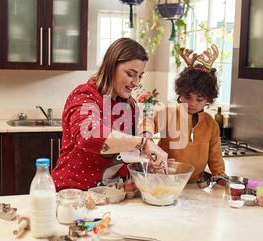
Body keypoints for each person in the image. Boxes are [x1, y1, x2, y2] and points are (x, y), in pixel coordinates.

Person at [52, 38, 168, 191]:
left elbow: (126, 152)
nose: (136, 82)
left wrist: (146, 167)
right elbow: (88, 136)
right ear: (111, 67)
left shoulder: (129, 105)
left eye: (140, 76)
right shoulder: (85, 95)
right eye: (130, 74)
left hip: (108, 195)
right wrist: (144, 143)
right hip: (73, 193)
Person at [140, 45, 225, 183]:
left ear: (208, 99)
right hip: (164, 179)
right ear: (180, 94)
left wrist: (219, 175)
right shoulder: (169, 114)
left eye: (199, 99)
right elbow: (148, 121)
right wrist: (146, 136)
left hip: (194, 185)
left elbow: (215, 156)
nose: (192, 103)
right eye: (187, 97)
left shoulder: (211, 125)